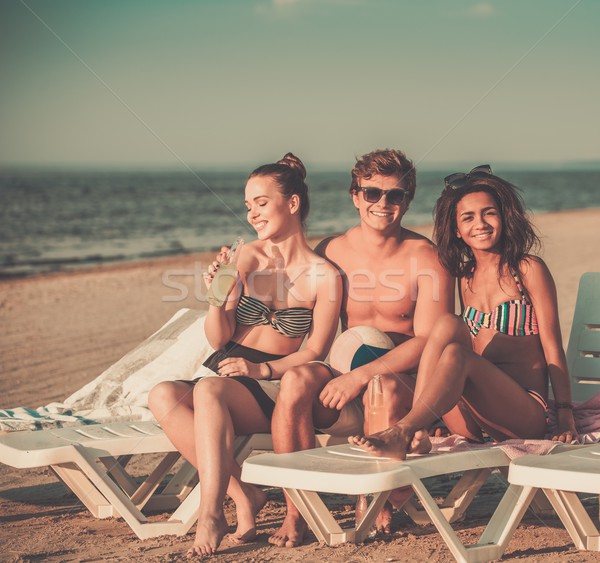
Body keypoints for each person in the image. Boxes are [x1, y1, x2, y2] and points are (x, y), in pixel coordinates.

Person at [148, 153, 341, 557]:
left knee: (209, 392)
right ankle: (244, 495)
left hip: (274, 382)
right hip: (228, 370)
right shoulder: (246, 256)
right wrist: (217, 299)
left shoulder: (325, 275)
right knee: (162, 396)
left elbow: (316, 351)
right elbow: (219, 340)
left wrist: (261, 367)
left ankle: (211, 512)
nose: (252, 213)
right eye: (248, 205)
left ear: (292, 204)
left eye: (261, 202)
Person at [269, 149, 455, 546]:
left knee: (382, 386)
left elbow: (427, 342)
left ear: (408, 200)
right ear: (355, 196)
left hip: (398, 386)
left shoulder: (427, 258)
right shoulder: (330, 252)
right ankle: (297, 509)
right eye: (372, 193)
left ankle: (372, 498)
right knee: (298, 380)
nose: (383, 203)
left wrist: (364, 374)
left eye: (395, 195)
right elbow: (288, 309)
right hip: (341, 379)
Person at [349, 164, 579, 460]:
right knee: (447, 325)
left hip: (525, 411)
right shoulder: (465, 277)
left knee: (458, 355)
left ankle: (404, 430)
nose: (480, 224)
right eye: (468, 217)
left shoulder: (527, 269)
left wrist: (565, 416)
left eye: (489, 213)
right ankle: (422, 424)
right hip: (476, 415)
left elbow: (552, 347)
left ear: (504, 217)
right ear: (457, 230)